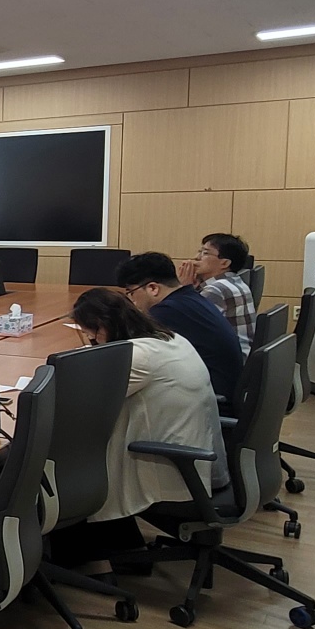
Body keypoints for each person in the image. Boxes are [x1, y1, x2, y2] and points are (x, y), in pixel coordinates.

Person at [51, 287, 227, 565]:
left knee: (66, 455)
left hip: (168, 464)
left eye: (91, 333)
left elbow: (77, 401)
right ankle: (123, 543)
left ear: (104, 325)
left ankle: (85, 554)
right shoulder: (170, 339)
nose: (92, 340)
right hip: (191, 455)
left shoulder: (138, 357)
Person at [117, 251, 242, 404]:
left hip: (214, 397)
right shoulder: (189, 297)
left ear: (153, 288)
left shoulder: (166, 312)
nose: (132, 301)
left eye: (131, 293)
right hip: (221, 388)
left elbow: (132, 355)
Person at [178, 233, 254, 355]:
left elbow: (184, 326)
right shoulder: (235, 281)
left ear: (225, 263)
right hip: (239, 354)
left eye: (205, 253)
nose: (196, 257)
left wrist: (183, 290)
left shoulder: (215, 289)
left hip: (226, 359)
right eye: (199, 251)